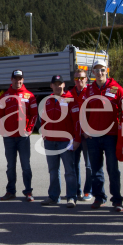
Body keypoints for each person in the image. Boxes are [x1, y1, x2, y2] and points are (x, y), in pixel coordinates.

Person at [81, 61, 123, 211]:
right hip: (93, 136)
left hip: (111, 136)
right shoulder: (88, 90)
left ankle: (117, 200)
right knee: (96, 169)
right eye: (96, 70)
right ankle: (99, 197)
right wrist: (85, 130)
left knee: (113, 169)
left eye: (102, 70)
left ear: (106, 71)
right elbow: (83, 111)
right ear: (93, 73)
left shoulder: (117, 89)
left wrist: (122, 130)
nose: (99, 73)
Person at [40, 75, 80, 207]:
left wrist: (76, 139)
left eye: (60, 84)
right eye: (55, 84)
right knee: (53, 170)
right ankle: (53, 197)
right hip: (50, 141)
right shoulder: (48, 100)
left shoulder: (70, 100)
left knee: (69, 171)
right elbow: (44, 118)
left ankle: (71, 197)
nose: (58, 86)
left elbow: (77, 121)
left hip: (65, 141)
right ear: (51, 86)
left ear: (64, 85)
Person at [0, 70, 37, 201]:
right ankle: (10, 191)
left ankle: (28, 192)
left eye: (20, 78)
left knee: (26, 165)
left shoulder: (29, 96)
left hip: (23, 137)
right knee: (10, 166)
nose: (17, 81)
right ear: (11, 79)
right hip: (9, 137)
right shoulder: (5, 96)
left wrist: (29, 129)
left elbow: (34, 115)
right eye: (15, 78)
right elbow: (0, 115)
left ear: (23, 80)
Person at [70, 69, 94, 203]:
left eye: (81, 78)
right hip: (74, 135)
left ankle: (87, 191)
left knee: (89, 165)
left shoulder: (91, 92)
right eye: (76, 78)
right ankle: (76, 191)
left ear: (86, 79)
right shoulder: (70, 94)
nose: (79, 81)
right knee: (74, 164)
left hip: (87, 135)